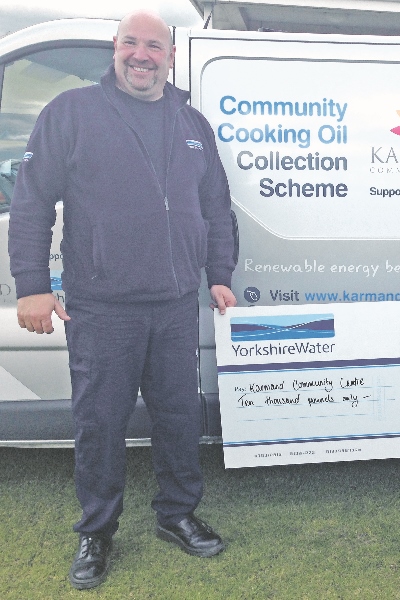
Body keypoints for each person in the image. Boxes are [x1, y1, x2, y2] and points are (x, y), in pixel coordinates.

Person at [8, 10, 237, 590]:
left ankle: (177, 513)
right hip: (102, 306)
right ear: (115, 50)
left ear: (171, 57)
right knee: (100, 424)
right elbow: (32, 202)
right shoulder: (72, 114)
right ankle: (97, 531)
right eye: (131, 44)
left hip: (175, 304)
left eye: (154, 46)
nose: (142, 55)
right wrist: (32, 285)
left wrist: (219, 272)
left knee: (179, 418)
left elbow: (215, 206)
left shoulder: (192, 124)